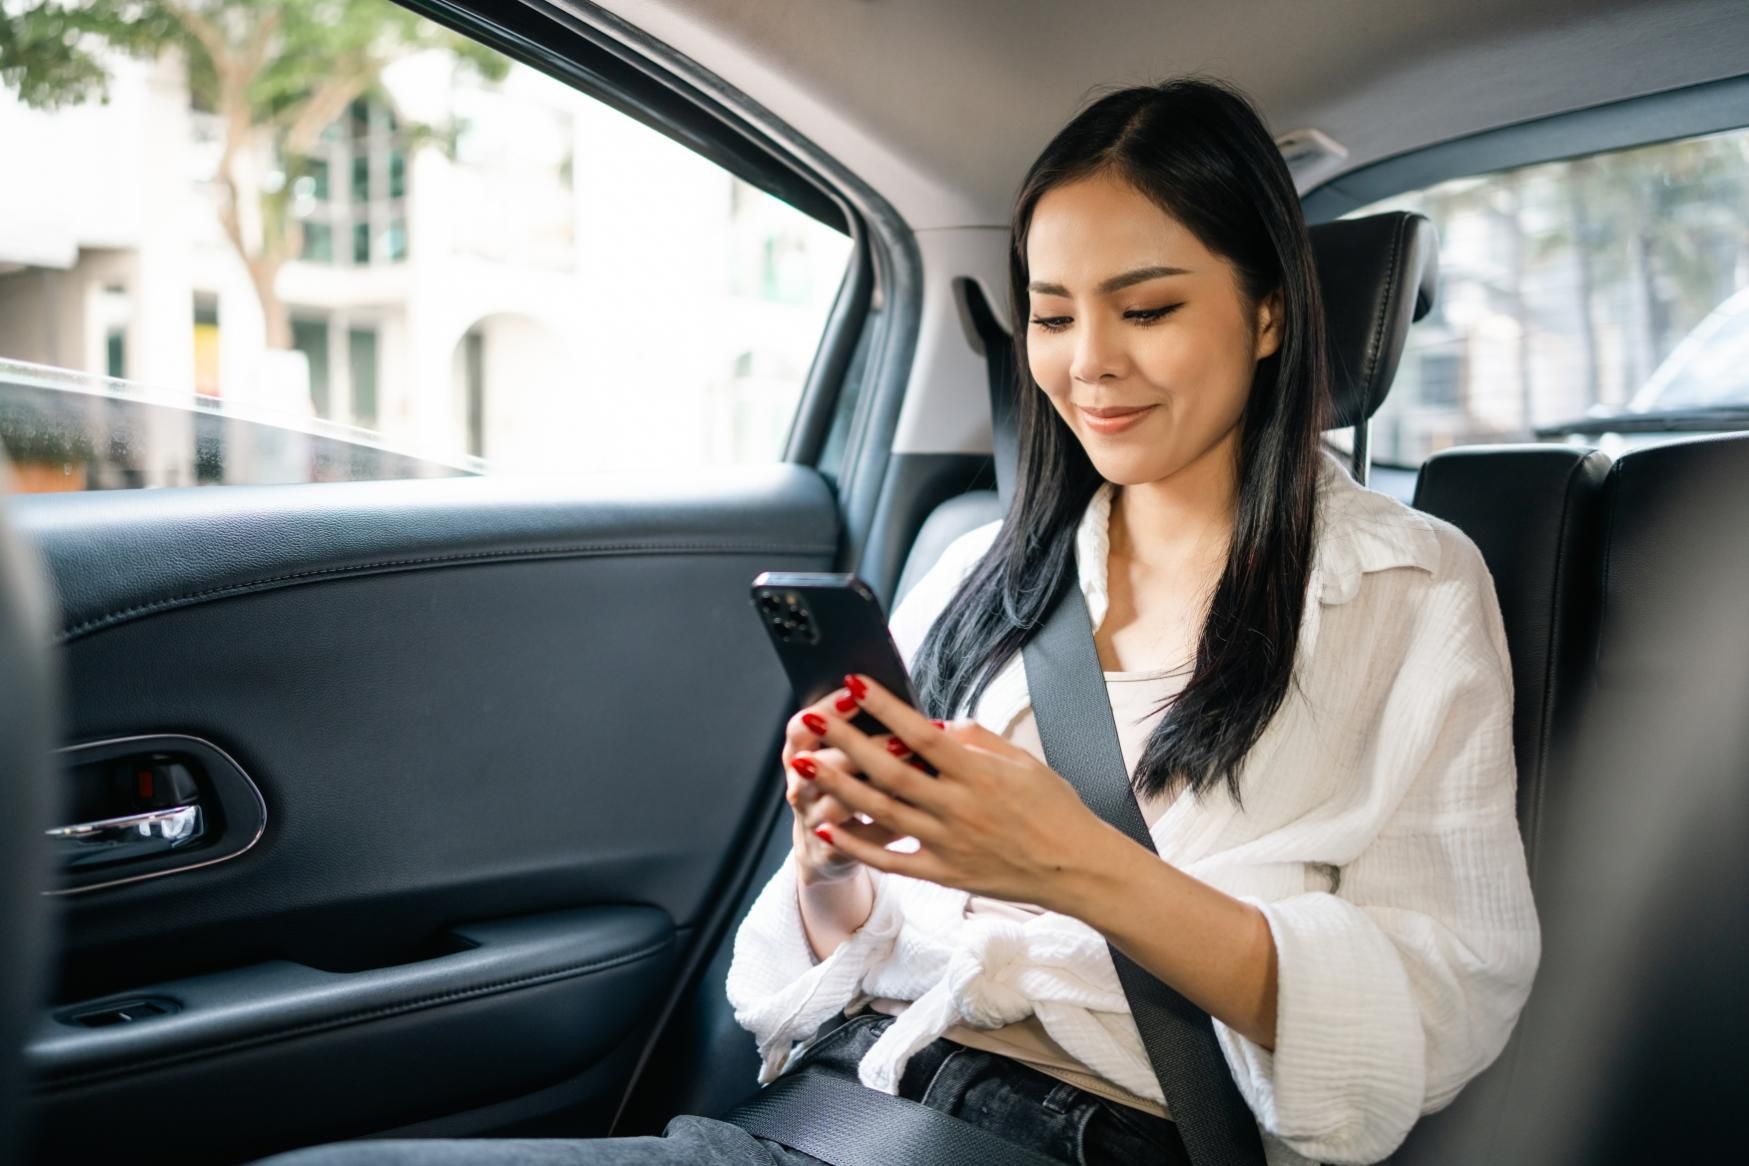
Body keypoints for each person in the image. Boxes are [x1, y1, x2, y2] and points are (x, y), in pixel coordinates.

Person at [259, 77, 1539, 1166]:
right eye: (1051, 312)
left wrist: (1079, 867)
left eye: (1146, 308)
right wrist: (835, 860)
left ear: (1267, 312)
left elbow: (1435, 1004)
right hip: (834, 1108)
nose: (1087, 359)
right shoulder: (989, 570)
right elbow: (844, 957)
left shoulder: (1407, 592)